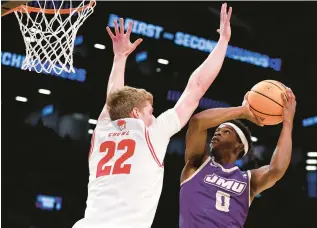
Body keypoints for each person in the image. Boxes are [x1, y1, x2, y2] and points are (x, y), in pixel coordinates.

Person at [73, 3, 232, 228]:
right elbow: (196, 86)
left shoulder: (103, 131)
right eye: (151, 111)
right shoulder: (150, 132)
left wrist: (119, 59)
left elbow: (113, 98)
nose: (154, 116)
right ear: (136, 113)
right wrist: (223, 42)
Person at [179, 89, 296, 228]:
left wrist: (288, 123)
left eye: (226, 132)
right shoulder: (197, 164)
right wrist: (242, 111)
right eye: (217, 131)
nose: (217, 134)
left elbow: (276, 169)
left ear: (239, 145)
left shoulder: (248, 180)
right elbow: (197, 122)